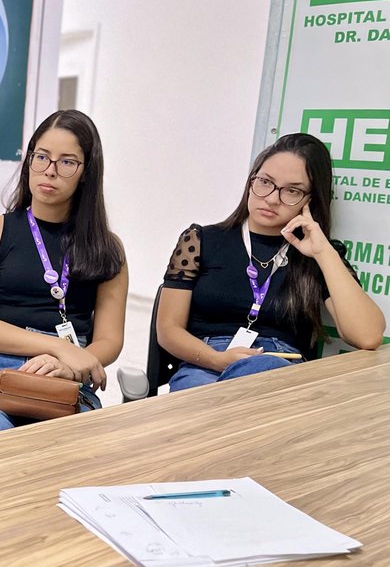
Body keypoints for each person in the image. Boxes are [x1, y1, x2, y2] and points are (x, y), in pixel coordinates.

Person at [0, 110, 128, 443]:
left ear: (87, 173)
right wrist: (58, 347)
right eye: (41, 157)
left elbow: (110, 340)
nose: (50, 171)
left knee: (68, 455)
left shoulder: (108, 248)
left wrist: (70, 363)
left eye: (67, 162)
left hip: (66, 378)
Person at [157, 133, 384, 391]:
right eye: (265, 182)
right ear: (251, 180)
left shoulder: (316, 255)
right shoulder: (201, 240)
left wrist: (323, 252)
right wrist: (218, 360)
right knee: (199, 399)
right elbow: (168, 329)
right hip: (204, 363)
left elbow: (368, 335)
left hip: (277, 368)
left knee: (256, 373)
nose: (272, 198)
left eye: (292, 190)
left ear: (310, 200)